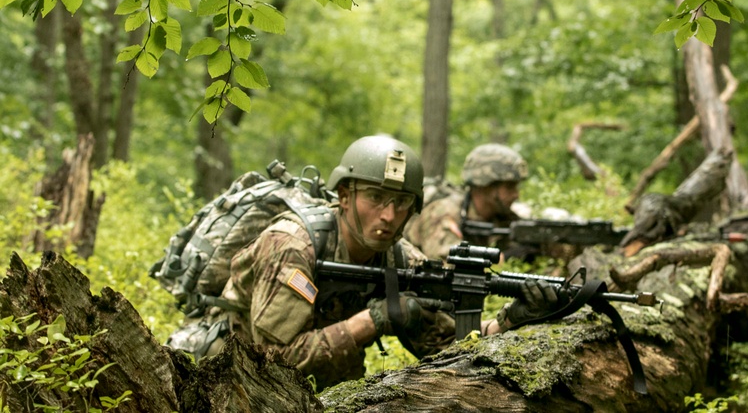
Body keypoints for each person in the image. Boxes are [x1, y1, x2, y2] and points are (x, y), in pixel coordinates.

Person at [211, 135, 558, 390]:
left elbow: (446, 343)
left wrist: (510, 320)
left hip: (323, 391)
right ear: (344, 197)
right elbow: (270, 358)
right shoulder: (292, 246)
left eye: (402, 201)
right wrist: (372, 320)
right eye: (375, 197)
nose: (389, 215)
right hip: (229, 377)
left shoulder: (399, 256)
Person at [405, 143, 528, 261]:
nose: (516, 194)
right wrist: (503, 259)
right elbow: (447, 265)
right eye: (509, 187)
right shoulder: (445, 212)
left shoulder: (504, 218)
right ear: (486, 184)